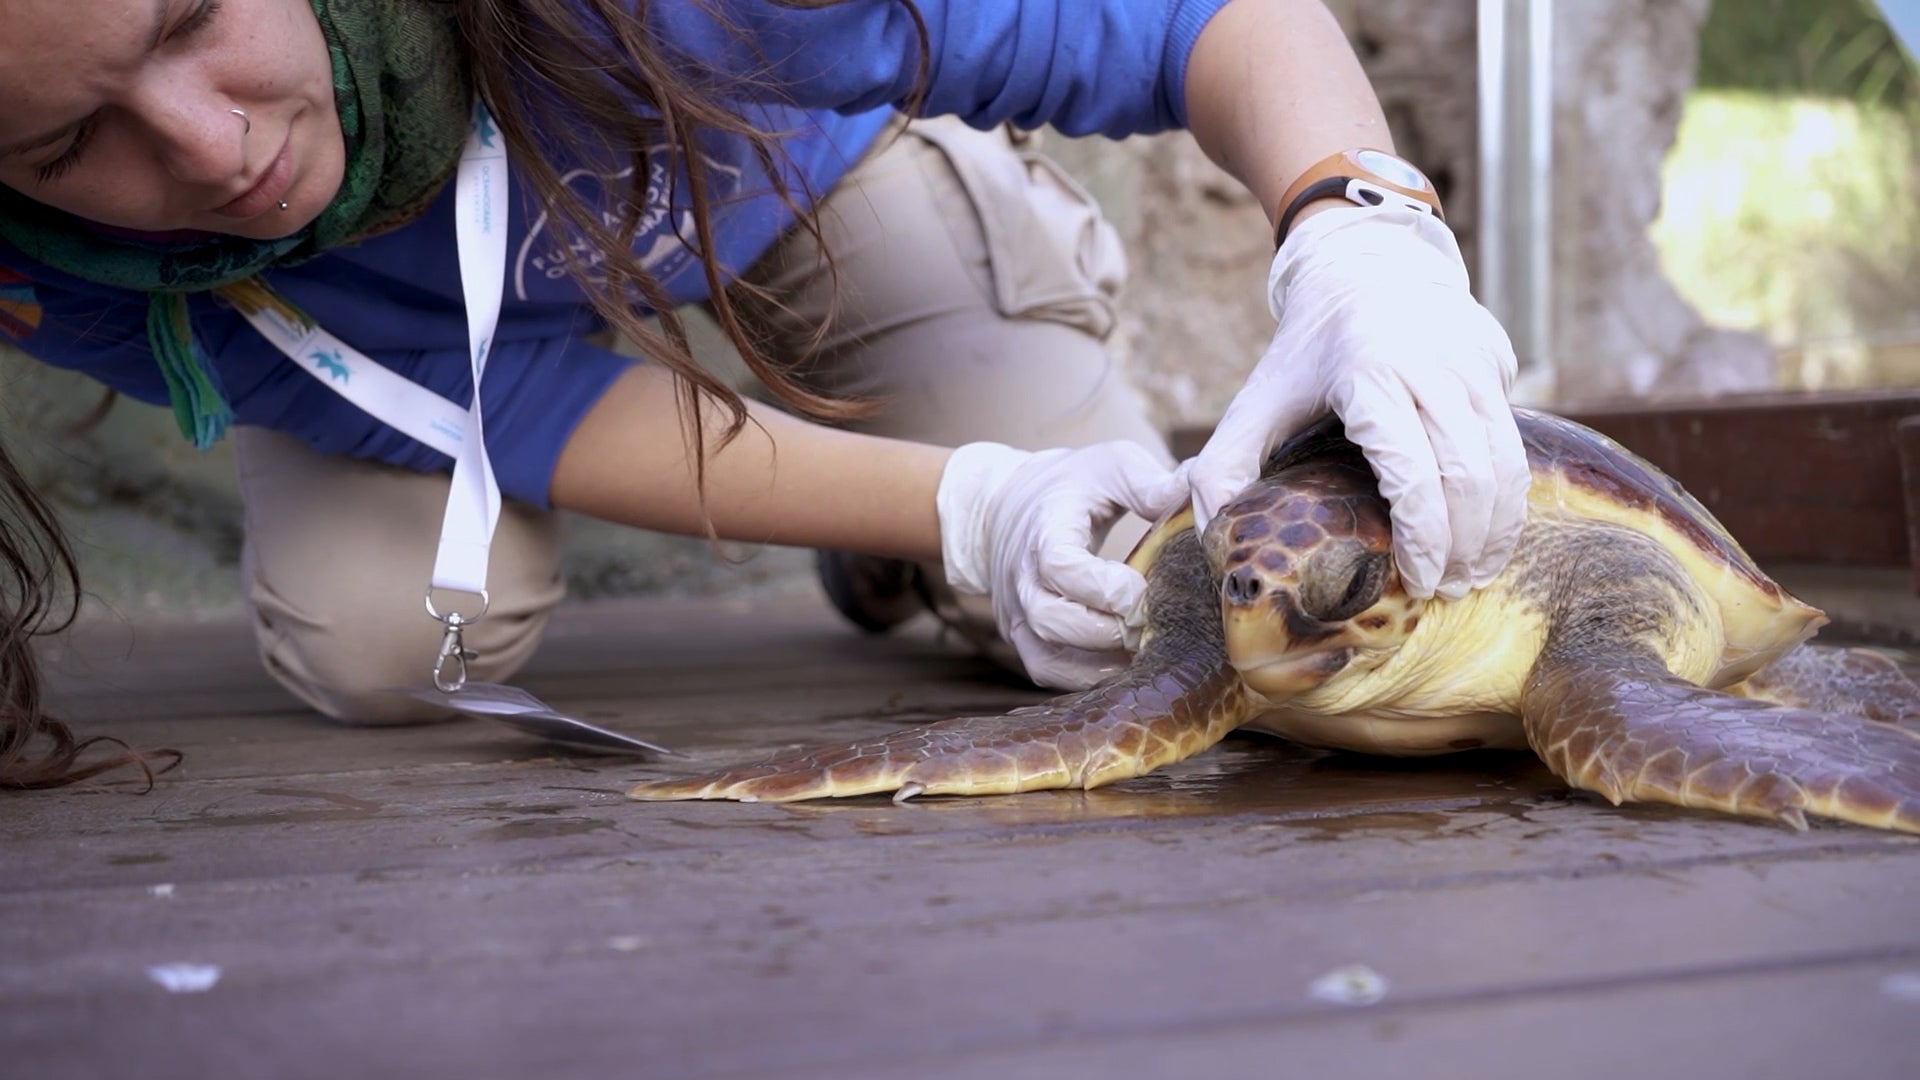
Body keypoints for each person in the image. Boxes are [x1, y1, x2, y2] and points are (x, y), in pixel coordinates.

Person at [0, 0, 1528, 789]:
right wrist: (963, 502)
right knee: (386, 642)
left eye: (192, 17)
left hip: (780, 173)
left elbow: (1191, 21)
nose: (206, 153)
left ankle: (932, 316)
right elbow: (513, 402)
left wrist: (1358, 226)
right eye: (75, 144)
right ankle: (901, 504)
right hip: (426, 357)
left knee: (1124, 596)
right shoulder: (61, 258)